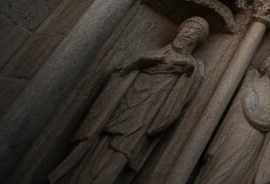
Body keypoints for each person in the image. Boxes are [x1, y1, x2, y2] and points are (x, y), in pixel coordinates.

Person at [49, 17, 209, 184]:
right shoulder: (152, 54)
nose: (188, 33)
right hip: (123, 104)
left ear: (198, 40)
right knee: (99, 140)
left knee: (124, 150)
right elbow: (121, 72)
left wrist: (187, 68)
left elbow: (187, 91)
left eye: (195, 32)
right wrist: (139, 63)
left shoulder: (193, 66)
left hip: (148, 114)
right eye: (186, 28)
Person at [196, 50, 270, 184]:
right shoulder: (252, 78)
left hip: (255, 142)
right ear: (269, 62)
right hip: (237, 133)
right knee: (220, 171)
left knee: (239, 176)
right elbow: (250, 107)